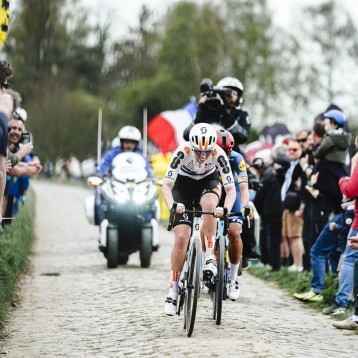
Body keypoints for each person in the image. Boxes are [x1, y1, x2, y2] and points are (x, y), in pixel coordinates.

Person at [162, 123, 236, 316]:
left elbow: (230, 189)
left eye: (207, 152)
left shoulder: (218, 153)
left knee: (211, 206)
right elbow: (167, 186)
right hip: (182, 186)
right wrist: (172, 206)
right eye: (198, 152)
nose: (203, 156)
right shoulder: (182, 151)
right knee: (181, 238)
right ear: (191, 146)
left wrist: (225, 208)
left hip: (207, 181)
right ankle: (173, 290)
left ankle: (210, 255)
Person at [215, 129, 251, 300]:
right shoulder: (207, 154)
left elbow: (244, 188)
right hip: (213, 189)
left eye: (227, 151)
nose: (224, 154)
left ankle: (234, 278)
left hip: (233, 191)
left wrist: (244, 206)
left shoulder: (237, 158)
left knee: (235, 231)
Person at [184, 77, 251, 153]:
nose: (230, 96)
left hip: (231, 154)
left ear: (239, 97)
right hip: (205, 153)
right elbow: (186, 135)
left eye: (234, 93)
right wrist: (202, 110)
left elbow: (243, 137)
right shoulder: (208, 110)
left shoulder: (241, 115)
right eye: (228, 93)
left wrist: (223, 111)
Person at [281, 140, 304, 272]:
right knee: (289, 236)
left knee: (296, 236)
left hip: (295, 206)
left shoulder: (300, 166)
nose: (291, 152)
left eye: (295, 149)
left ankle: (299, 264)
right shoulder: (291, 165)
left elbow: (302, 187)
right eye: (289, 149)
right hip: (288, 205)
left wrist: (301, 205)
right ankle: (295, 263)